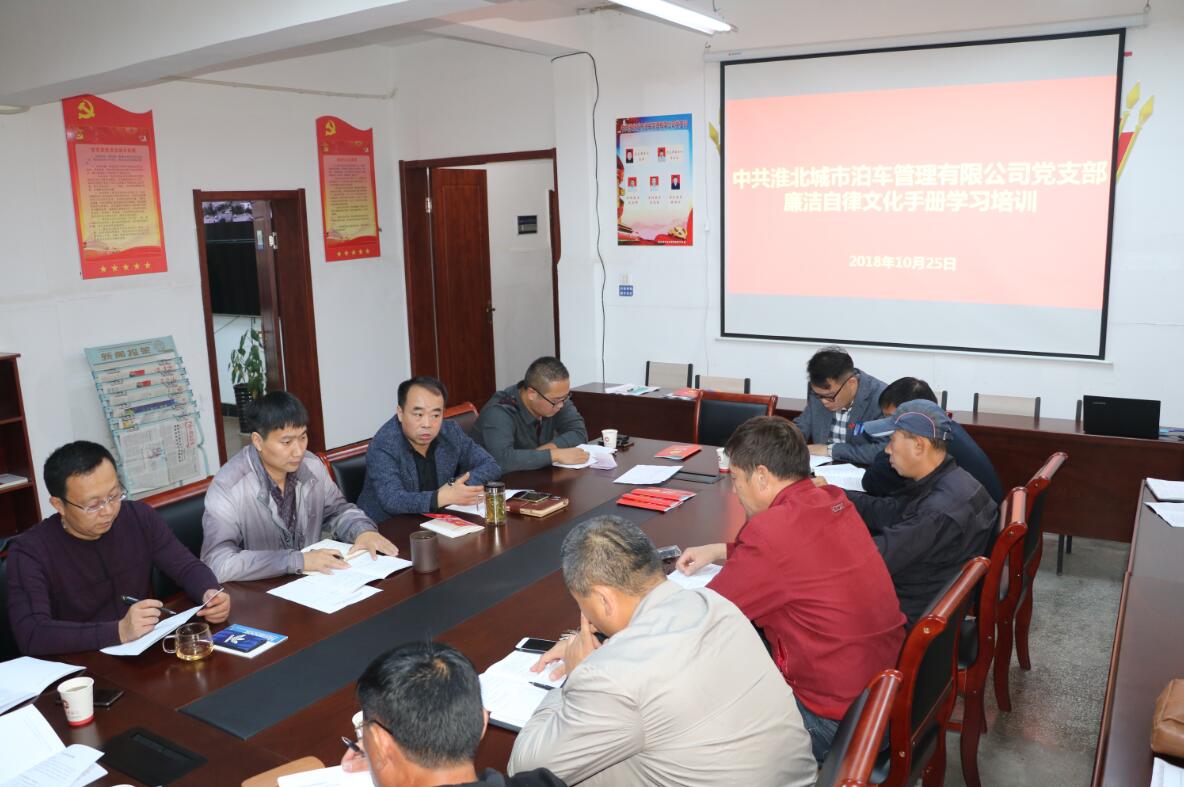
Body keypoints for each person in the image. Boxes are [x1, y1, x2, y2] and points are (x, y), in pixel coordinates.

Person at [509, 516, 815, 787]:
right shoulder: (715, 604)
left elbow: (524, 771)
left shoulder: (610, 678)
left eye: (581, 604)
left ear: (603, 599)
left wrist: (572, 679)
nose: (586, 617)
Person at [676, 416, 905, 763]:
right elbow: (799, 557)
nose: (735, 492)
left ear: (761, 476)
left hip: (832, 722)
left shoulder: (772, 532)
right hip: (880, 698)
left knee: (688, 723)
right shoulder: (831, 500)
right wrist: (721, 550)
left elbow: (704, 616)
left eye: (736, 479)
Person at [7, 441, 229, 655]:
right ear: (59, 505)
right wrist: (119, 631)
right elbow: (32, 633)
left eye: (114, 495)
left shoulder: (138, 518)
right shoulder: (30, 552)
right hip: (80, 665)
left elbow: (186, 566)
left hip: (143, 651)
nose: (108, 511)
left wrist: (209, 592)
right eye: (93, 505)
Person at [202, 391, 397, 582]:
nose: (298, 451)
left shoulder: (311, 466)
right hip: (259, 591)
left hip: (312, 582)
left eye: (303, 437)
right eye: (286, 442)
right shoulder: (229, 487)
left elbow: (338, 511)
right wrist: (296, 561)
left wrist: (363, 531)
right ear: (258, 441)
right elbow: (217, 563)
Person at [841, 400, 998, 625]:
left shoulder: (936, 512)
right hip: (926, 599)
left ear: (918, 445)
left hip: (903, 618)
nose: (887, 450)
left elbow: (869, 561)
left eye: (892, 440)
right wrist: (835, 496)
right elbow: (893, 511)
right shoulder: (955, 481)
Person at [341, 641, 566, 787]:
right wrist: (383, 751)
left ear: (380, 742)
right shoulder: (544, 782)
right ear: (482, 723)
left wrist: (383, 753)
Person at [357, 377, 501, 520]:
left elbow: (490, 465)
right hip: (387, 527)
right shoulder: (384, 445)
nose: (427, 424)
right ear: (400, 413)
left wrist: (456, 489)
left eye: (435, 415)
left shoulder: (450, 432)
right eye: (418, 414)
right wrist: (439, 497)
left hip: (437, 520)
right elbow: (392, 500)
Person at [861, 377, 1004, 502]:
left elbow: (873, 481)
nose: (890, 426)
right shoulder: (945, 429)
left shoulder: (932, 446)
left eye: (893, 418)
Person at [474, 357, 589, 473]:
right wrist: (554, 455)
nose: (561, 405)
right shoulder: (499, 412)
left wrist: (542, 454)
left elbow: (579, 432)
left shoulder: (556, 397)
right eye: (556, 400)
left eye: (565, 397)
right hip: (490, 480)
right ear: (532, 394)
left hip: (533, 475)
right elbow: (502, 460)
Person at [793, 346, 888, 465]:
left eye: (830, 396)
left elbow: (883, 450)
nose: (824, 401)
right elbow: (800, 428)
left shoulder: (881, 398)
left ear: (852, 383)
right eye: (818, 395)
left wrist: (830, 450)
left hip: (862, 470)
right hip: (821, 468)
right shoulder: (819, 392)